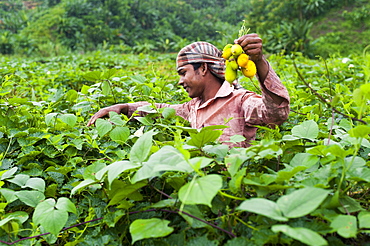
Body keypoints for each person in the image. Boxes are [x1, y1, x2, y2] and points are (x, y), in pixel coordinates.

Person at [87, 34, 290, 148]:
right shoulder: (194, 107)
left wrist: (260, 62)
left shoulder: (240, 100)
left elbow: (276, 113)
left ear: (203, 68)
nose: (180, 81)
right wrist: (123, 108)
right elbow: (161, 109)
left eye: (183, 73)